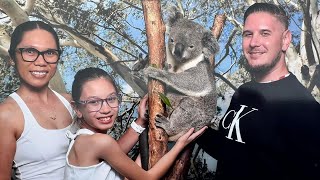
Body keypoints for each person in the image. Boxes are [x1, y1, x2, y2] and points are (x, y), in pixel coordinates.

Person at [0, 21, 148, 180]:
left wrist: (139, 123)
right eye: (30, 51)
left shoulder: (72, 103)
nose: (41, 61)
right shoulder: (6, 116)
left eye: (49, 52)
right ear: (12, 58)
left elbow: (105, 156)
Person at [197, 3, 320, 180]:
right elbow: (229, 149)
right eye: (248, 34)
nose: (254, 43)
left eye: (265, 33)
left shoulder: (306, 110)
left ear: (285, 40)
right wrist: (187, 125)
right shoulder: (244, 91)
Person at [64, 67, 207, 180]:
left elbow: (114, 152)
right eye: (94, 102)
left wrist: (140, 121)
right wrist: (180, 145)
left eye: (111, 99)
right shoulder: (99, 142)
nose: (106, 109)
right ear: (77, 108)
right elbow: (148, 179)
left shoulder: (83, 139)